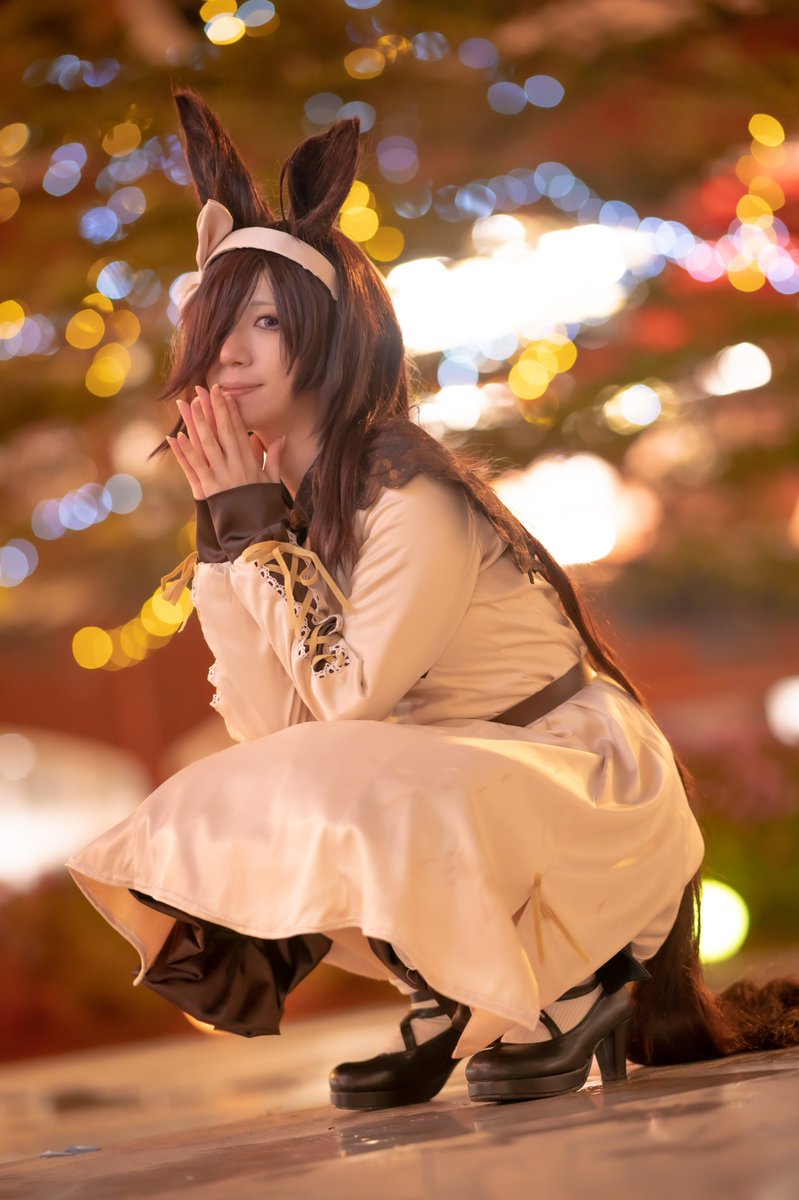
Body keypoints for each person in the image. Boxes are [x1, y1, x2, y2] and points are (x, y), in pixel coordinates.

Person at [67, 88, 798, 1111]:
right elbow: (274, 728)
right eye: (216, 323)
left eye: (264, 322)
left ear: (329, 337)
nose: (228, 352)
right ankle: (461, 988)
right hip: (475, 790)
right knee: (242, 785)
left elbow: (349, 701)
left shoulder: (409, 488)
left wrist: (255, 531)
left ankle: (564, 987)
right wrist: (234, 542)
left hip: (579, 791)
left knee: (351, 771)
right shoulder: (285, 506)